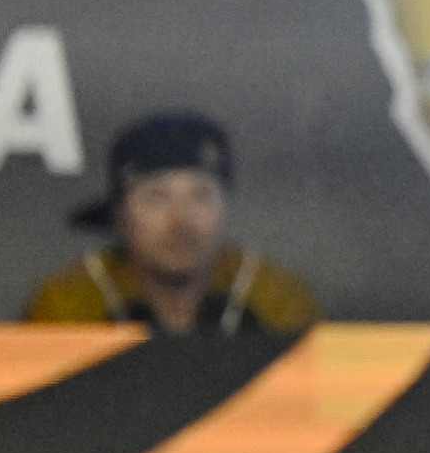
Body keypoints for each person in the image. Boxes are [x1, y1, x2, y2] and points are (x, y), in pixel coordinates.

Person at [23, 113, 323, 335]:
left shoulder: (274, 298)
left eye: (200, 196)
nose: (181, 221)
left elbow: (321, 408)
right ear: (121, 215)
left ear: (225, 208)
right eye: (156, 198)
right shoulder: (69, 304)